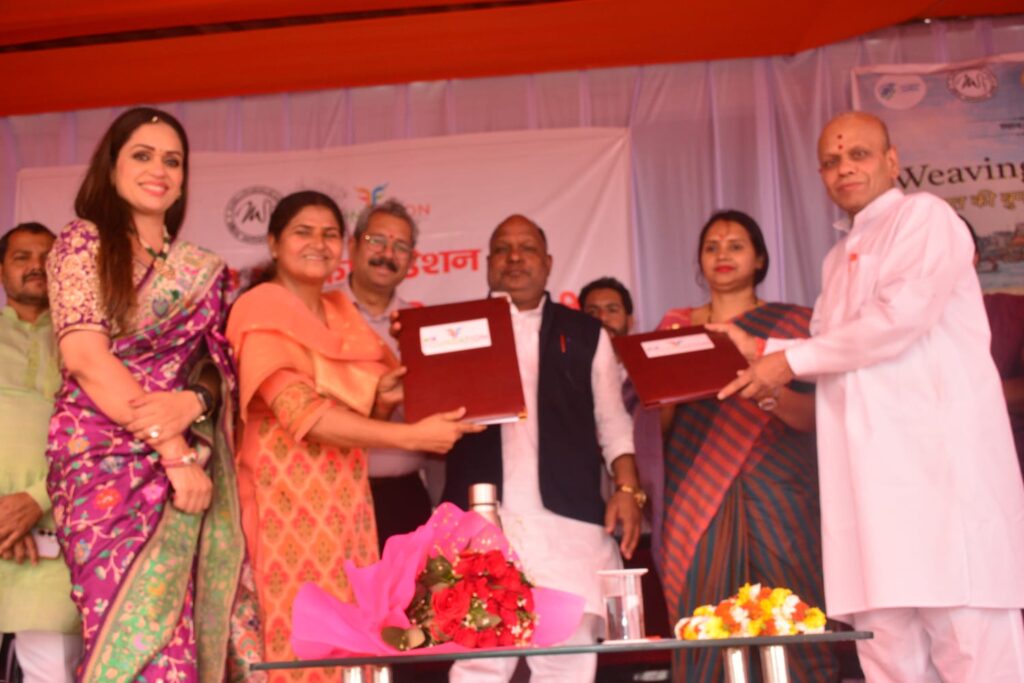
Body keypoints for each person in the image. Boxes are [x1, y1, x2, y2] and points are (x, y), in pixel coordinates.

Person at [718, 111, 1024, 682]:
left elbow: (898, 320)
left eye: (858, 154)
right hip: (868, 502)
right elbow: (837, 351)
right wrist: (761, 349)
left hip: (941, 492)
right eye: (831, 161)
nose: (844, 168)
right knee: (888, 662)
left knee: (975, 659)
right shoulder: (838, 259)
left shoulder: (924, 217)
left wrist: (785, 361)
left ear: (892, 161)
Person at [226, 190, 481, 680]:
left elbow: (358, 401)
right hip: (284, 506)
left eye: (329, 234)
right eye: (303, 232)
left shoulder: (339, 313)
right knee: (297, 641)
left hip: (346, 505)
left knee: (354, 647)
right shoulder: (259, 310)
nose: (318, 243)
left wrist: (384, 395)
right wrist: (414, 437)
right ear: (274, 242)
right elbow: (304, 414)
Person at [44, 107, 251, 682]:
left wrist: (193, 403)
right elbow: (86, 359)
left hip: (186, 460)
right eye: (142, 155)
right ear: (111, 167)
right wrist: (174, 454)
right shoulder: (83, 244)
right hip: (103, 464)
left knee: (180, 642)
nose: (158, 170)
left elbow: (218, 365)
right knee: (126, 632)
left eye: (172, 160)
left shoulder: (203, 270)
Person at [441, 215, 644, 683]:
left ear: (549, 263)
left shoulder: (585, 333)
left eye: (527, 248)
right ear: (487, 263)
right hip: (480, 519)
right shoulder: (453, 331)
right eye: (502, 248)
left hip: (567, 525)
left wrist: (626, 489)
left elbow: (612, 420)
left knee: (566, 661)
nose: (514, 258)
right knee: (479, 662)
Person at [655, 210, 836, 682]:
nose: (723, 254)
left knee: (792, 615)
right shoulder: (674, 329)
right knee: (702, 618)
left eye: (736, 245)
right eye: (712, 246)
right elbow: (657, 427)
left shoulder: (792, 327)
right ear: (699, 261)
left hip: (780, 492)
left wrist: (767, 392)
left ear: (759, 259)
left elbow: (815, 416)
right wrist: (667, 382)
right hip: (697, 495)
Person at [334, 199, 441, 552]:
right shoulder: (319, 315)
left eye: (400, 246)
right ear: (353, 246)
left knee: (410, 589)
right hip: (333, 494)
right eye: (377, 241)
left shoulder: (422, 328)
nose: (387, 254)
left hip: (405, 495)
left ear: (412, 260)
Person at [0, 222, 81, 682]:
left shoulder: (86, 344)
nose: (36, 266)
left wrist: (34, 502)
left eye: (47, 258)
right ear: (1, 271)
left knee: (52, 674)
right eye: (21, 257)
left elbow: (99, 437)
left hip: (54, 533)